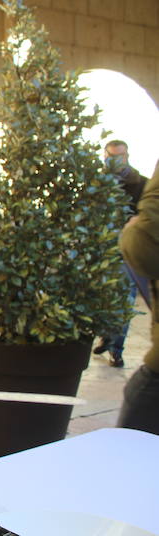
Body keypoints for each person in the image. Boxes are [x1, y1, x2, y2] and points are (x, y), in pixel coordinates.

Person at [93, 140, 149, 367]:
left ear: (127, 156)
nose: (117, 160)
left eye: (121, 155)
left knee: (125, 297)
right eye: (112, 156)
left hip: (127, 247)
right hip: (102, 247)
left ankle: (116, 348)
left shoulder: (141, 184)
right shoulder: (96, 183)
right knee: (103, 297)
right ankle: (107, 336)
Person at [117, 160, 159, 434]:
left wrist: (132, 229)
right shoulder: (103, 179)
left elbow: (145, 243)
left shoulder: (137, 181)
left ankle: (114, 348)